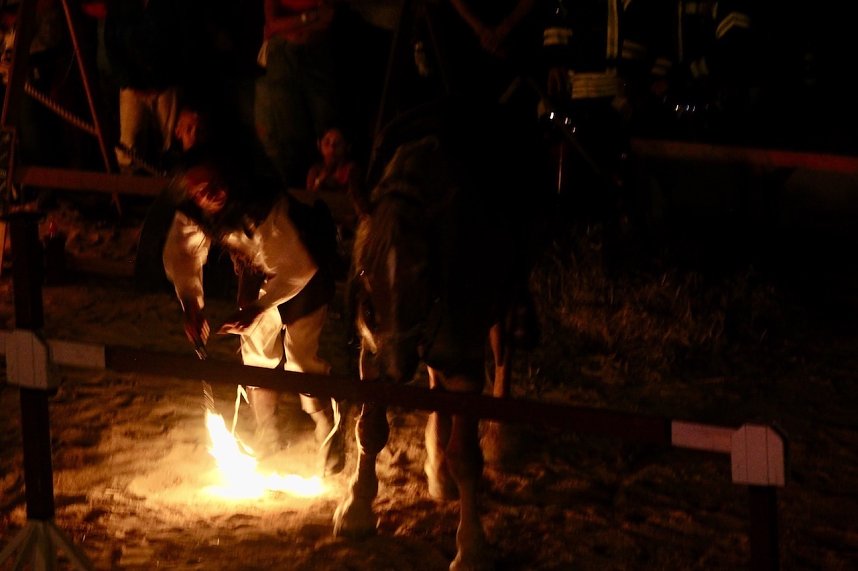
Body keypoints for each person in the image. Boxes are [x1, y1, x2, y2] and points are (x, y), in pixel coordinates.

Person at [160, 116, 345, 477]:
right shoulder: (195, 209)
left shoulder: (261, 204)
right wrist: (191, 304)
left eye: (213, 185)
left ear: (227, 176)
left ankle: (327, 430)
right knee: (257, 353)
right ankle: (267, 434)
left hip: (303, 272)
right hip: (258, 274)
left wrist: (260, 307)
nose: (208, 195)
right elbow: (182, 253)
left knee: (302, 360)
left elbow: (295, 267)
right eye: (199, 191)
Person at [254, 0, 344, 188]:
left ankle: (330, 179)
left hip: (315, 49)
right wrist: (309, 17)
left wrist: (290, 24)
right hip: (283, 50)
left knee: (325, 115)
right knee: (286, 119)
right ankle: (296, 183)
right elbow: (273, 22)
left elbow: (327, 18)